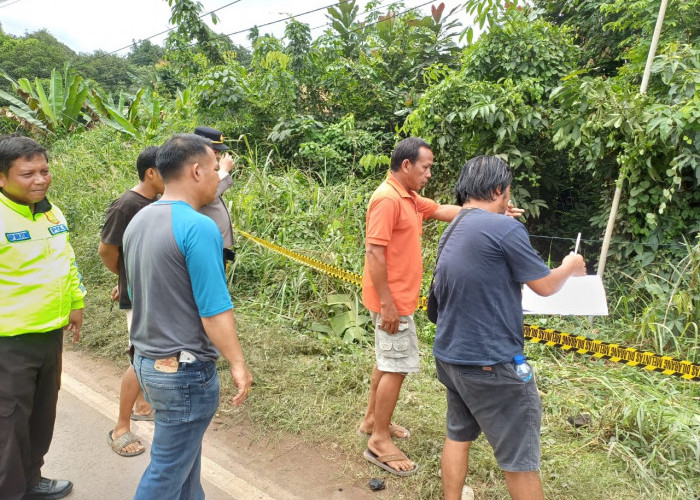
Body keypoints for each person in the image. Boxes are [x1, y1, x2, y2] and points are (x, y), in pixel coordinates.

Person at [359, 137, 524, 477]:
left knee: (386, 360)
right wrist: (388, 305)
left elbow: (443, 211)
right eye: (426, 167)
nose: (429, 173)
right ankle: (378, 440)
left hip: (398, 299)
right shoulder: (387, 200)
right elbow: (374, 253)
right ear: (406, 166)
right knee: (396, 366)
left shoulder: (408, 198)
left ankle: (373, 420)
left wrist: (490, 210)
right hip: (392, 302)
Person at [431, 156, 586, 500]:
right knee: (520, 458)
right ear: (499, 190)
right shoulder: (505, 228)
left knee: (458, 434)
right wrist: (569, 264)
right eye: (507, 193)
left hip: (451, 356)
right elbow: (545, 286)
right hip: (492, 362)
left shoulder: (453, 228)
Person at [123, 133, 252, 499]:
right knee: (166, 472)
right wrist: (238, 363)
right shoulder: (198, 227)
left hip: (148, 364)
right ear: (196, 171)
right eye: (214, 168)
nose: (218, 175)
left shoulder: (141, 219)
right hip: (184, 371)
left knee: (185, 465)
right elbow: (214, 310)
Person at [0, 135, 86, 500]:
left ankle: (32, 478)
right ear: (2, 178)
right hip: (9, 342)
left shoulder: (52, 212)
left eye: (44, 170)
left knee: (40, 415)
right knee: (9, 424)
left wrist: (76, 302)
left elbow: (66, 261)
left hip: (50, 334)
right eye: (27, 174)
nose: (40, 180)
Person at [98, 146, 164, 457]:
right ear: (151, 172)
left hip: (153, 293)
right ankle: (121, 428)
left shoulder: (156, 201)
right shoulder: (127, 205)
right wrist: (125, 279)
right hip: (139, 295)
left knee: (147, 353)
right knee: (139, 358)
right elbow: (107, 251)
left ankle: (142, 404)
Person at [193, 126, 236, 265]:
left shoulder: (207, 170)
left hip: (215, 245)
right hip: (206, 246)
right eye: (215, 152)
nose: (217, 157)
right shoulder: (193, 170)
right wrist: (223, 170)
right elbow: (205, 194)